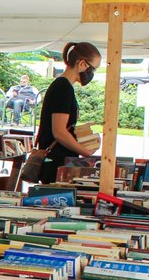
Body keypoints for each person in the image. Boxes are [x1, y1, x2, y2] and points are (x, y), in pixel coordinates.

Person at [36, 41, 102, 183]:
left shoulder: (63, 86)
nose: (92, 73)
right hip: (56, 163)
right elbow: (59, 132)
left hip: (57, 161)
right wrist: (86, 153)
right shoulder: (63, 88)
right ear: (82, 64)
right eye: (93, 69)